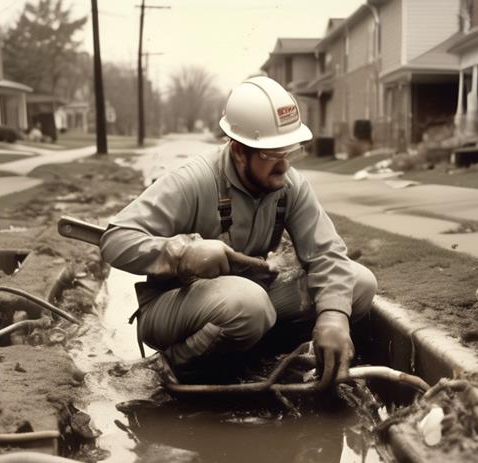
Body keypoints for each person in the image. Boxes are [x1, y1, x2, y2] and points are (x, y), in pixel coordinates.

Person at [100, 76, 376, 387]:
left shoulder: (289, 185)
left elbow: (327, 253)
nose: (284, 166)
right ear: (239, 151)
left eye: (290, 152)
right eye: (271, 155)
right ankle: (169, 366)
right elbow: (115, 239)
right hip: (173, 308)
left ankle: (263, 358)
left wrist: (334, 316)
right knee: (250, 304)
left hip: (244, 301)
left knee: (359, 283)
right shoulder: (194, 181)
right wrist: (183, 254)